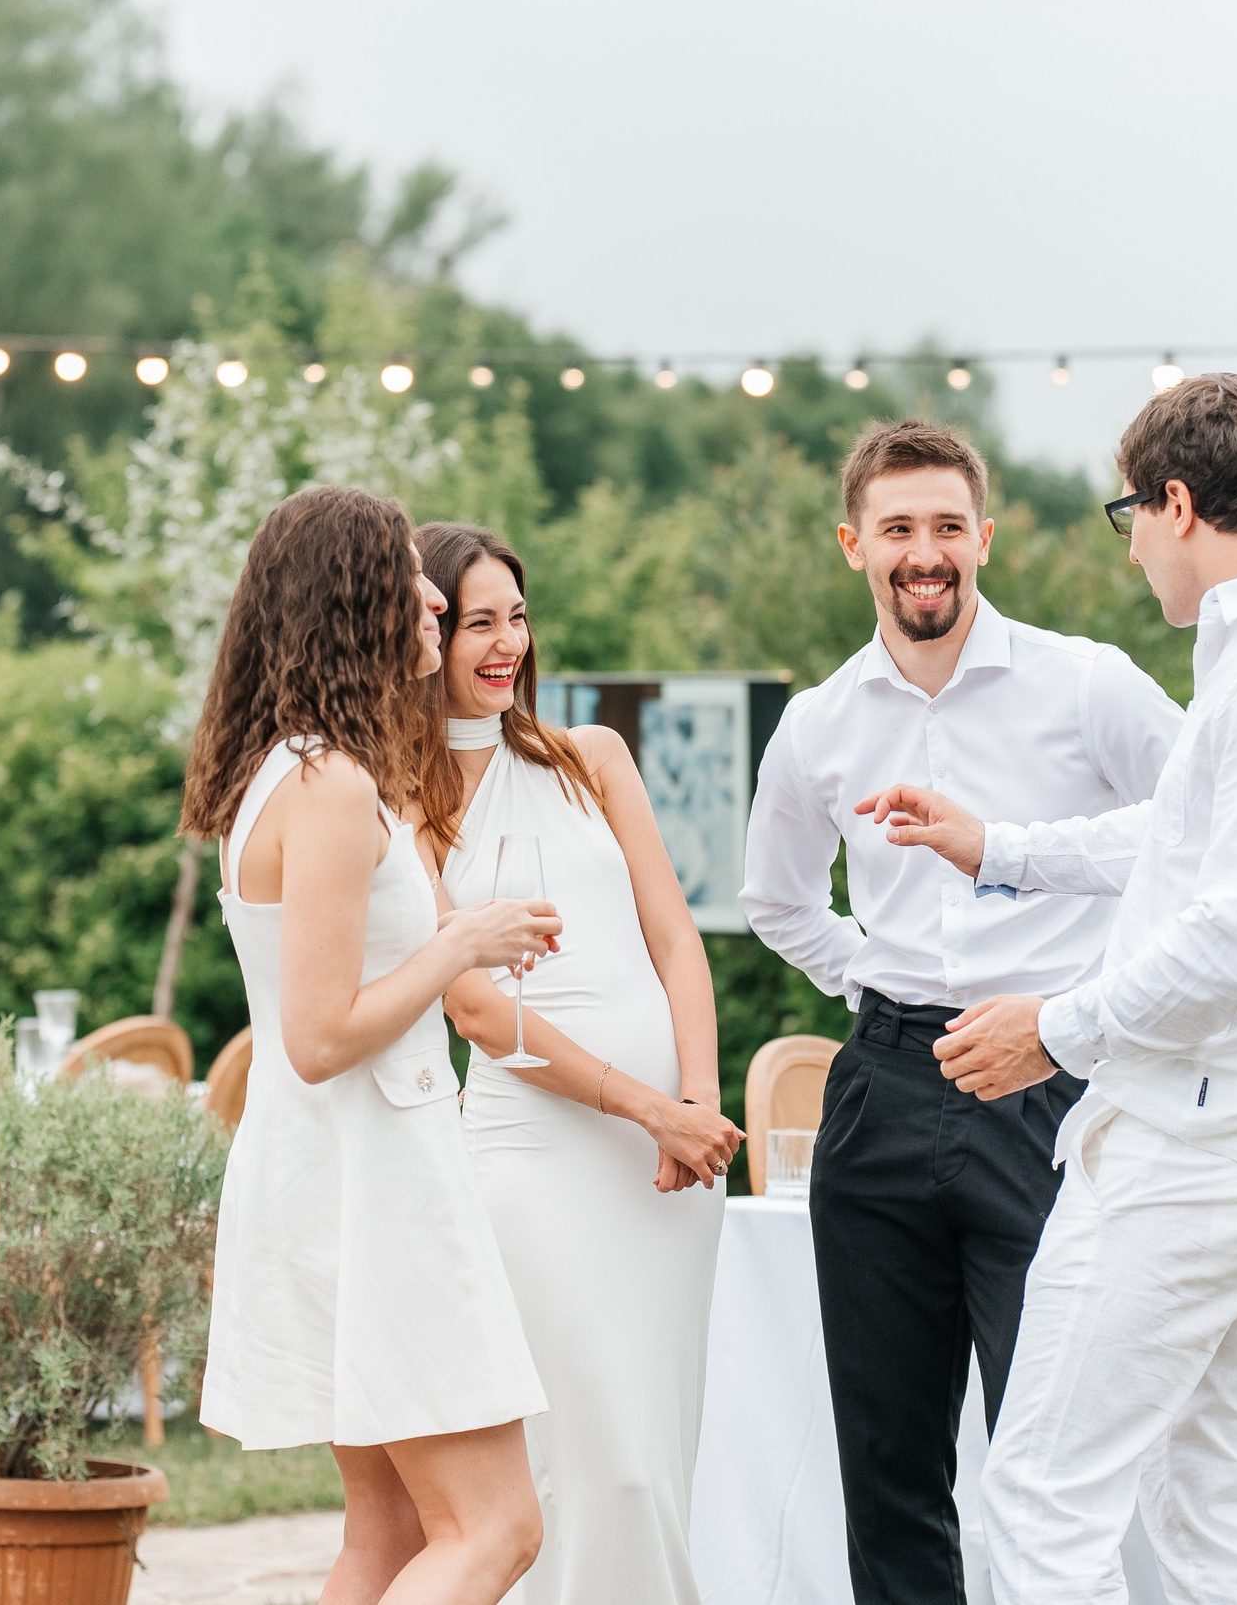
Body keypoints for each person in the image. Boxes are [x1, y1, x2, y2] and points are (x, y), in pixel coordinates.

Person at [861, 373, 1237, 1603]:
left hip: (1207, 1141)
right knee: (1204, 1481)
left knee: (1039, 1500)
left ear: (1175, 502)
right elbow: (1199, 836)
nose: (1129, 548)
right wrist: (1003, 850)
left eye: (1126, 514)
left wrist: (1055, 1028)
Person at [739, 419, 1184, 1605]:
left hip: (1049, 1088)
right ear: (853, 546)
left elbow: (1201, 827)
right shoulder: (820, 722)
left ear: (983, 538)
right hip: (882, 1094)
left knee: (1047, 1466)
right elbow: (773, 897)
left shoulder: (1086, 683)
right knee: (888, 1471)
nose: (922, 552)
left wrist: (1080, 1007)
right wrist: (870, 982)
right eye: (896, 529)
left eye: (946, 526)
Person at [187, 484, 565, 1605]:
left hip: (337, 1175)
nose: (433, 598)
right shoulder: (332, 786)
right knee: (497, 1528)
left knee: (390, 1532)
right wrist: (459, 945)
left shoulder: (299, 770)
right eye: (407, 577)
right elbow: (314, 1036)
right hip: (374, 1187)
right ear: (351, 599)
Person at [411, 521, 745, 1605]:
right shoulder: (404, 800)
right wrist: (647, 1106)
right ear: (422, 634)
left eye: (516, 615)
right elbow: (471, 1006)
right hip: (534, 1158)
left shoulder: (592, 755)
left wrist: (696, 1101)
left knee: (663, 1451)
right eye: (475, 622)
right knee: (597, 1461)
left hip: (671, 1169)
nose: (503, 643)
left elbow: (674, 937)